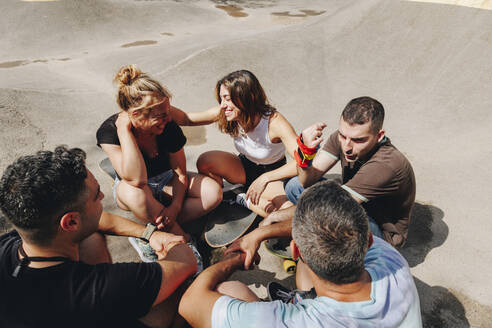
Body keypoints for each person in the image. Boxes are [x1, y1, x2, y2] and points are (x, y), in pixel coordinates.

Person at [178, 181, 422, 328]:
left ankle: (300, 299)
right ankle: (303, 297)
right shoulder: (391, 261)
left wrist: (232, 260)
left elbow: (190, 303)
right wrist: (259, 235)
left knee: (225, 291)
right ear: (368, 240)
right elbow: (328, 227)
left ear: (295, 250)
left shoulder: (292, 323)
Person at [0, 146, 197, 327]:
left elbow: (95, 221)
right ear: (70, 222)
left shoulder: (14, 243)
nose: (103, 196)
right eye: (96, 195)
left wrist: (148, 233)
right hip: (94, 302)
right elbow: (186, 262)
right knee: (185, 285)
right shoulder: (96, 288)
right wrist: (169, 246)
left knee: (90, 237)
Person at [96, 64, 222, 261]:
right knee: (136, 193)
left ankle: (148, 232)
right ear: (136, 115)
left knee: (213, 193)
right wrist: (124, 132)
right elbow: (136, 179)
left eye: (168, 111)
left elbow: (179, 172)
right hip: (132, 190)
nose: (168, 118)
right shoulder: (110, 132)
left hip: (167, 181)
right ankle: (185, 243)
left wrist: (175, 207)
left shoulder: (168, 123)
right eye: (160, 116)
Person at [286, 96, 416, 248]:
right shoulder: (344, 139)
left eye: (359, 140)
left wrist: (270, 228)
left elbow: (331, 208)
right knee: (294, 186)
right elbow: (305, 181)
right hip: (353, 204)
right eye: (342, 135)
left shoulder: (386, 164)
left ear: (379, 136)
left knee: (328, 216)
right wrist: (305, 154)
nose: (347, 146)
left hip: (382, 234)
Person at [171, 70, 298, 218]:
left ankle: (240, 197)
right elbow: (187, 119)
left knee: (285, 211)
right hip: (244, 168)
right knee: (206, 161)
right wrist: (158, 104)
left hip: (272, 174)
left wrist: (265, 178)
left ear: (248, 97)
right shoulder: (226, 112)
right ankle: (224, 197)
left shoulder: (274, 122)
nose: (223, 105)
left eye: (227, 99)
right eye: (221, 99)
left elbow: (303, 161)